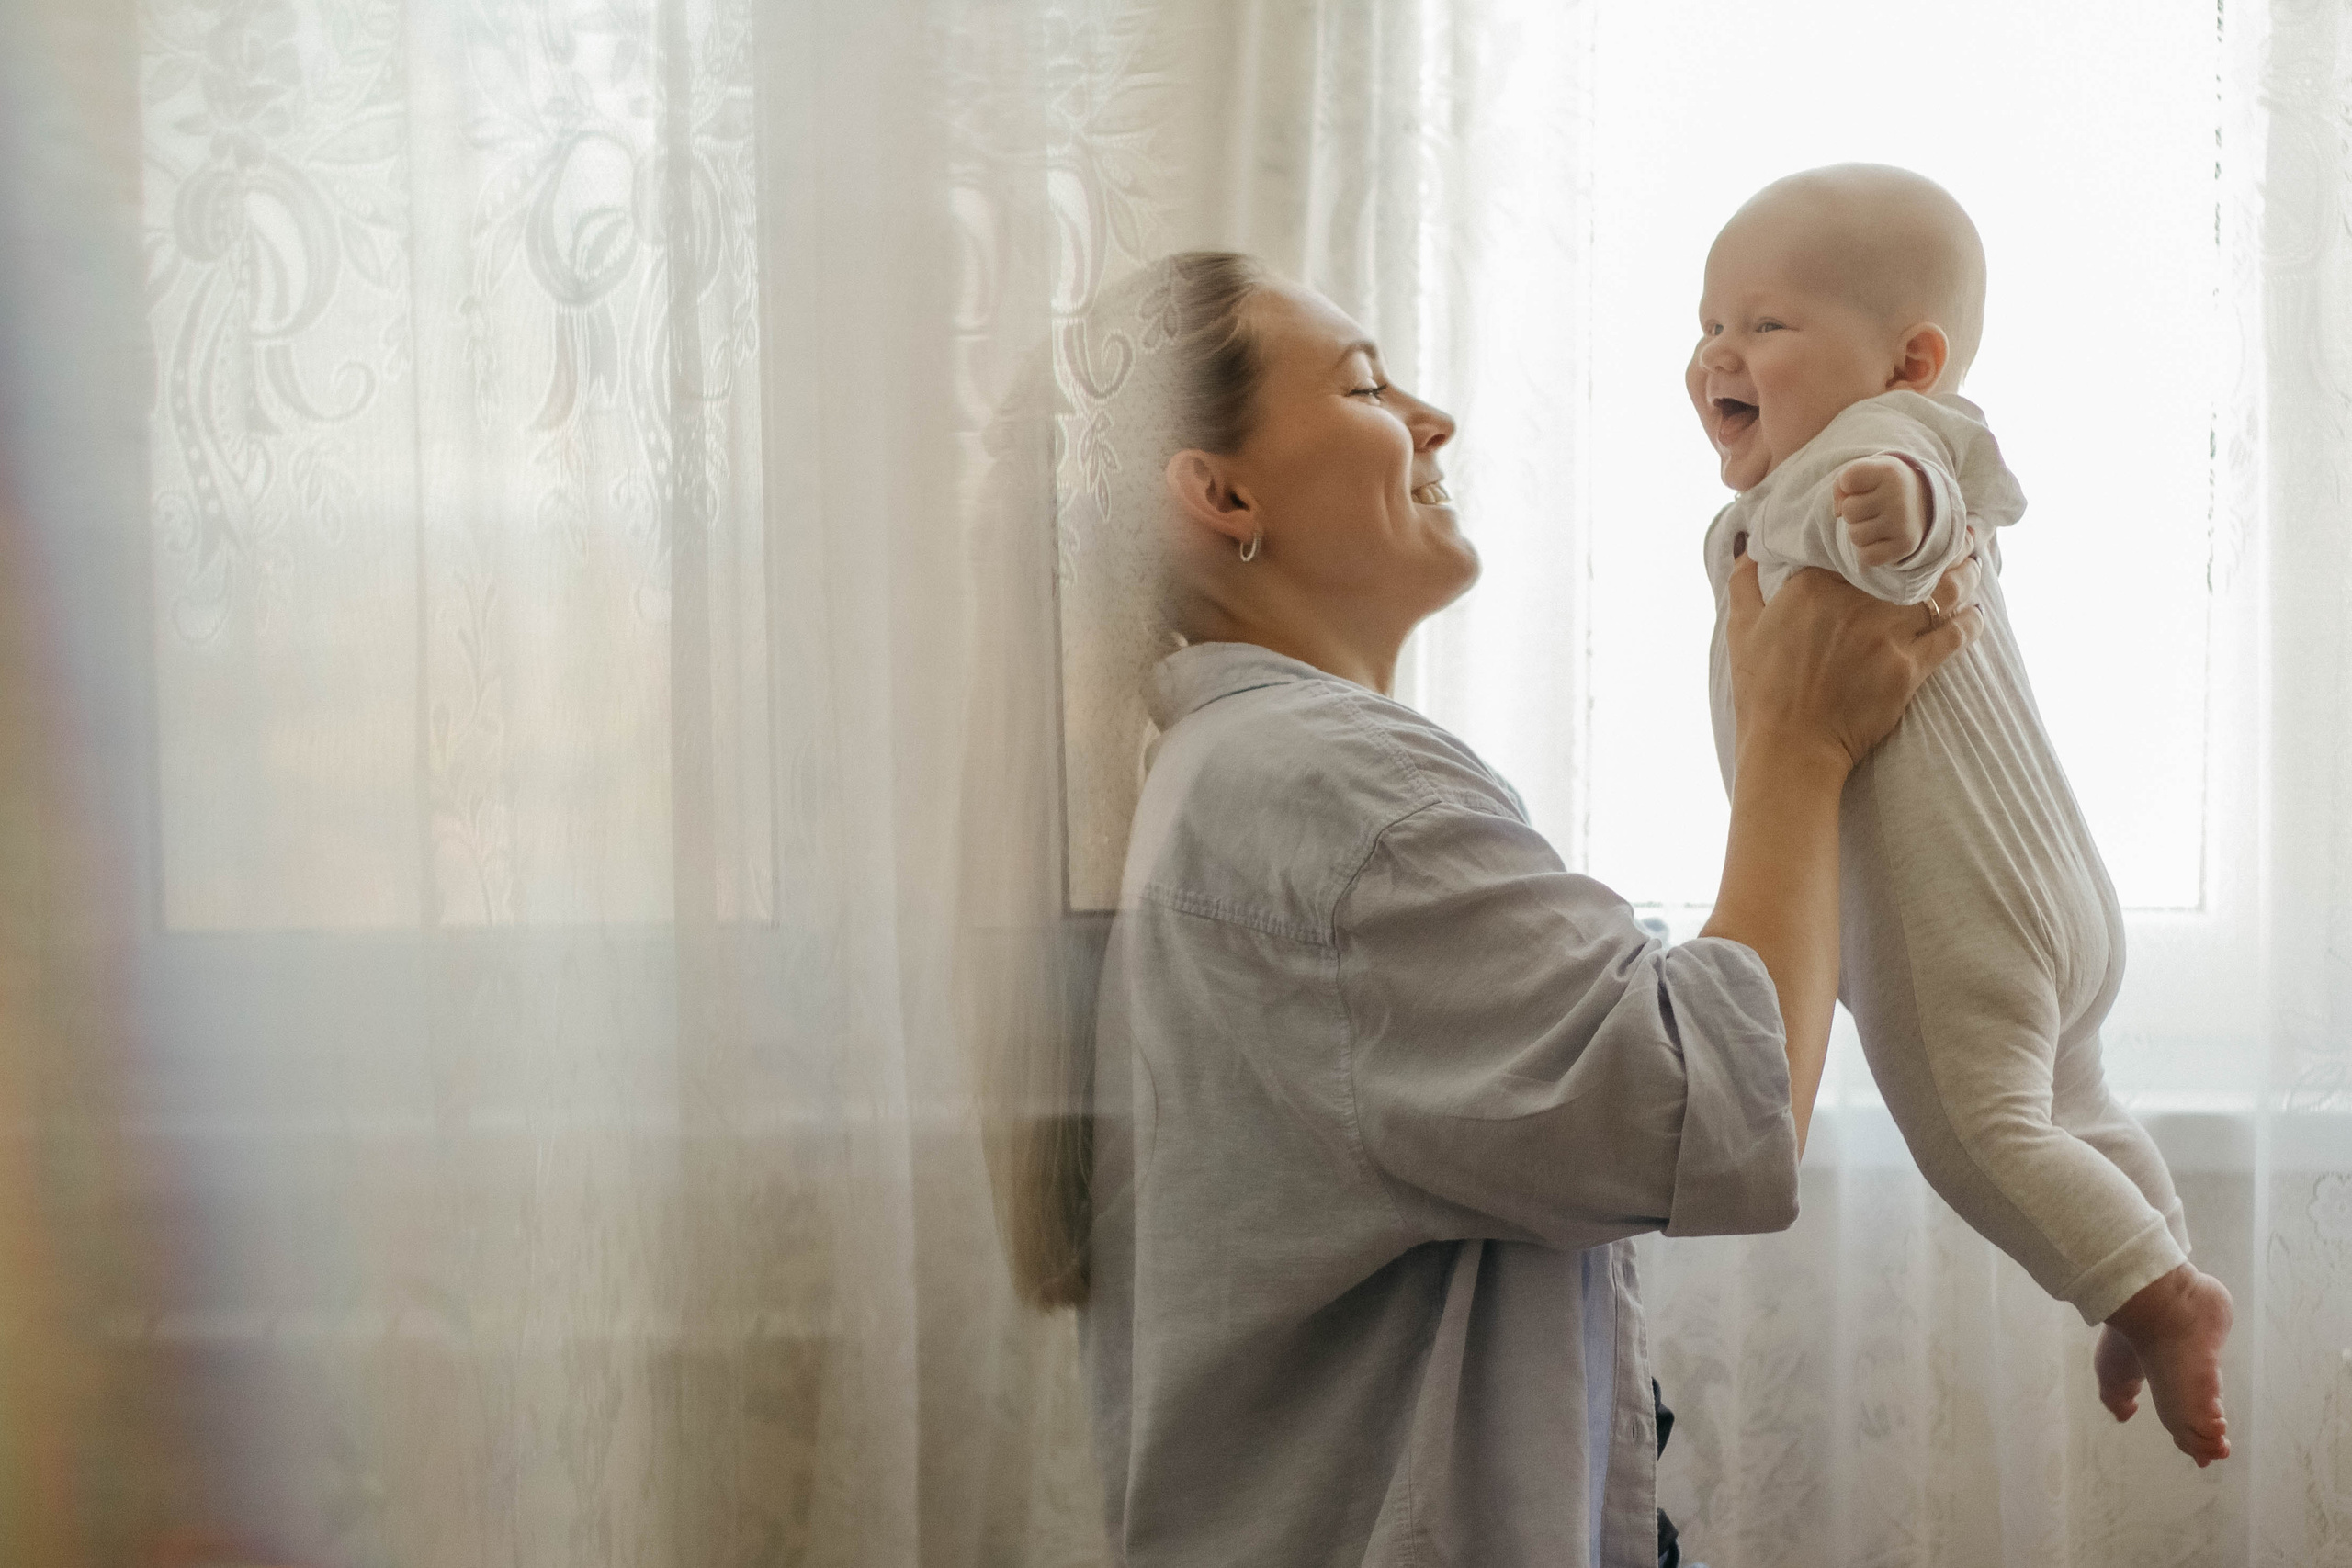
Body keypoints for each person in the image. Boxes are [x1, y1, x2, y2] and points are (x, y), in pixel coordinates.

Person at [977, 251, 1980, 1568]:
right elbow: (1709, 1109)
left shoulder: (1256, 778)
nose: (1431, 418)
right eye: (1365, 386)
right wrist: (1797, 742)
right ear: (1220, 494)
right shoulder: (1326, 793)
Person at [1688, 164, 2233, 1467]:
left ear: (1909, 359)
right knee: (2071, 1103)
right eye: (1706, 324)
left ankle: (2161, 1297)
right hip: (2053, 892)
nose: (1718, 351)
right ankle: (2144, 1262)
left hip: (1964, 912)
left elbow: (1925, 509)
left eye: (1764, 324)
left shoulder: (1879, 449)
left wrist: (1896, 509)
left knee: (1976, 1129)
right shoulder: (1834, 461)